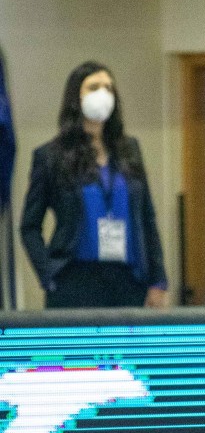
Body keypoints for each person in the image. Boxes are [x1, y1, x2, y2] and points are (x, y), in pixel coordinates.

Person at [20, 61, 168, 309]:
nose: (103, 94)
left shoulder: (129, 150)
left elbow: (147, 218)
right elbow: (29, 226)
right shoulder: (51, 156)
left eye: (109, 88)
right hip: (74, 279)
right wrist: (48, 276)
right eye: (94, 87)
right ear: (75, 96)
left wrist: (158, 280)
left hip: (127, 279)